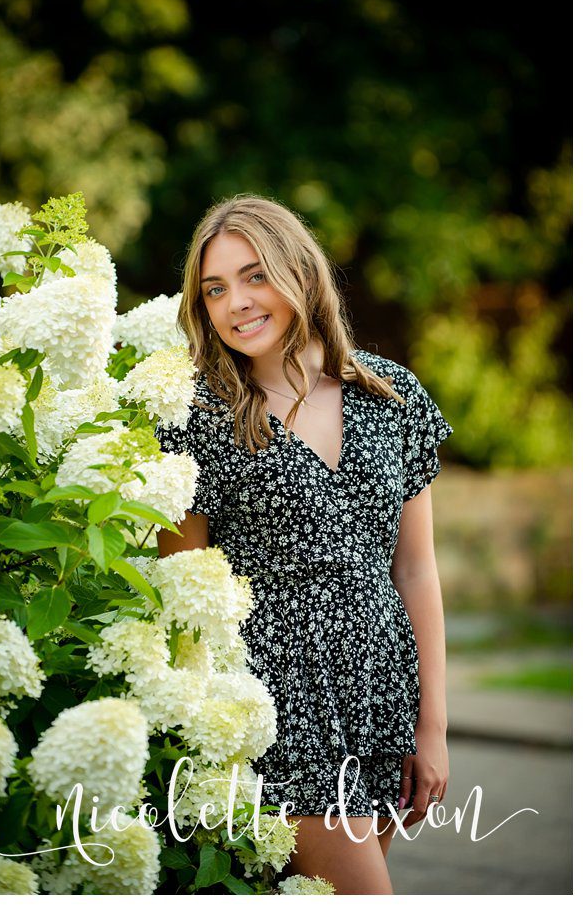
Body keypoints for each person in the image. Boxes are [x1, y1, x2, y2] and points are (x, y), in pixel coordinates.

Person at [152, 195, 451, 895]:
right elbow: (183, 587)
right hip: (275, 706)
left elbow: (415, 568)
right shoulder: (199, 416)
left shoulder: (390, 394)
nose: (236, 303)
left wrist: (432, 725)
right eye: (215, 288)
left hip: (382, 695)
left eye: (255, 276)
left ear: (300, 274)